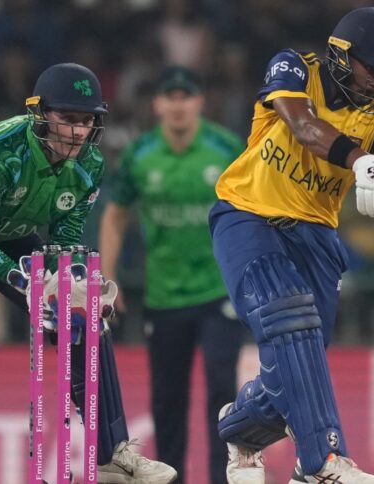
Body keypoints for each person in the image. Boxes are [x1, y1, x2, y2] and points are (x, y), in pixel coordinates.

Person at [0, 62, 177, 484]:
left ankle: (111, 454)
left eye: (87, 121)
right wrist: (28, 283)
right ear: (40, 113)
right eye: (67, 118)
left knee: (81, 319)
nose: (77, 132)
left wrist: (72, 290)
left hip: (8, 227)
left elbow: (65, 240)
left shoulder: (90, 165)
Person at [210, 7, 374, 484]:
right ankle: (322, 462)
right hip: (248, 213)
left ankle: (240, 428)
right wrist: (361, 162)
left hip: (316, 233)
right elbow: (302, 125)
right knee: (290, 317)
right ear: (341, 54)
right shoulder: (295, 67)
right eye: (372, 68)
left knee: (301, 357)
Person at [99, 65, 246, 484]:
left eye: (186, 97)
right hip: (163, 296)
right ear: (158, 104)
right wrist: (108, 276)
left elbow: (254, 208)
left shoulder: (226, 147)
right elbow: (115, 214)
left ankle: (224, 479)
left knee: (222, 391)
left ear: (200, 102)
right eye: (171, 97)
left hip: (219, 290)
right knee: (167, 399)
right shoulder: (140, 154)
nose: (179, 105)